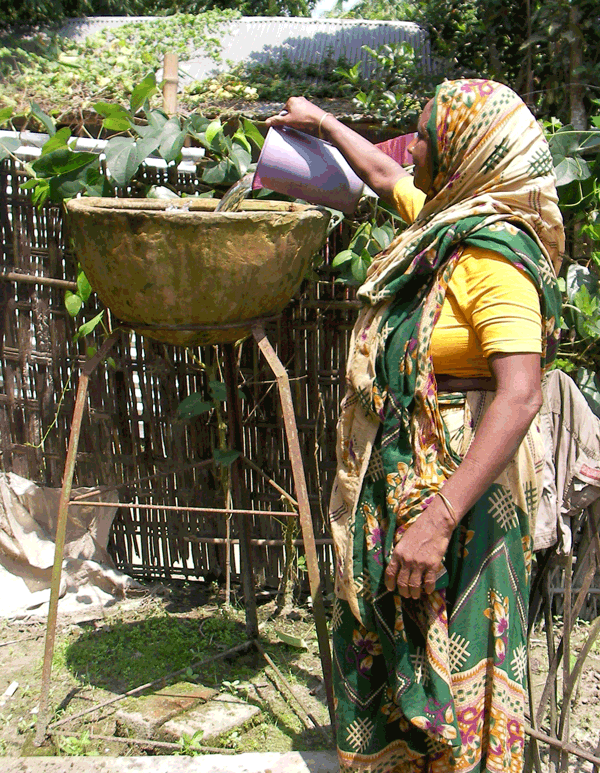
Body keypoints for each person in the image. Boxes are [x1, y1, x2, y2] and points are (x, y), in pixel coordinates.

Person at [267, 79, 564, 773]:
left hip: (460, 500)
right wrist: (319, 122)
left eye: (427, 135)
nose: (415, 145)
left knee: (453, 657)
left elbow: (519, 397)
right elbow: (381, 174)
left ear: (465, 152)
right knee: (390, 645)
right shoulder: (442, 221)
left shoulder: (494, 257)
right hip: (402, 477)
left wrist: (436, 519)